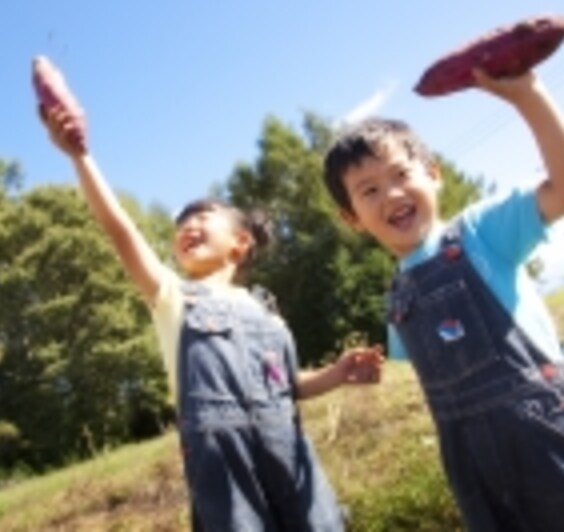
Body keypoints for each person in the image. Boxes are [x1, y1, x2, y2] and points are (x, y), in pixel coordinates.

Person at [38, 77, 383, 530]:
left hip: (289, 451)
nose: (187, 225)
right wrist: (80, 157)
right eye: (181, 223)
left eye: (202, 217)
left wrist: (335, 374)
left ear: (240, 244)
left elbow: (283, 386)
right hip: (222, 466)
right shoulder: (171, 297)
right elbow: (121, 230)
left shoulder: (265, 311)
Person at [322, 68, 564, 531]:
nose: (393, 194)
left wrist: (529, 95)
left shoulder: (482, 232)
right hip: (471, 466)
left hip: (549, 445)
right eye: (370, 191)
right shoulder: (398, 297)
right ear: (353, 219)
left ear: (434, 174)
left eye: (401, 174)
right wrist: (363, 371)